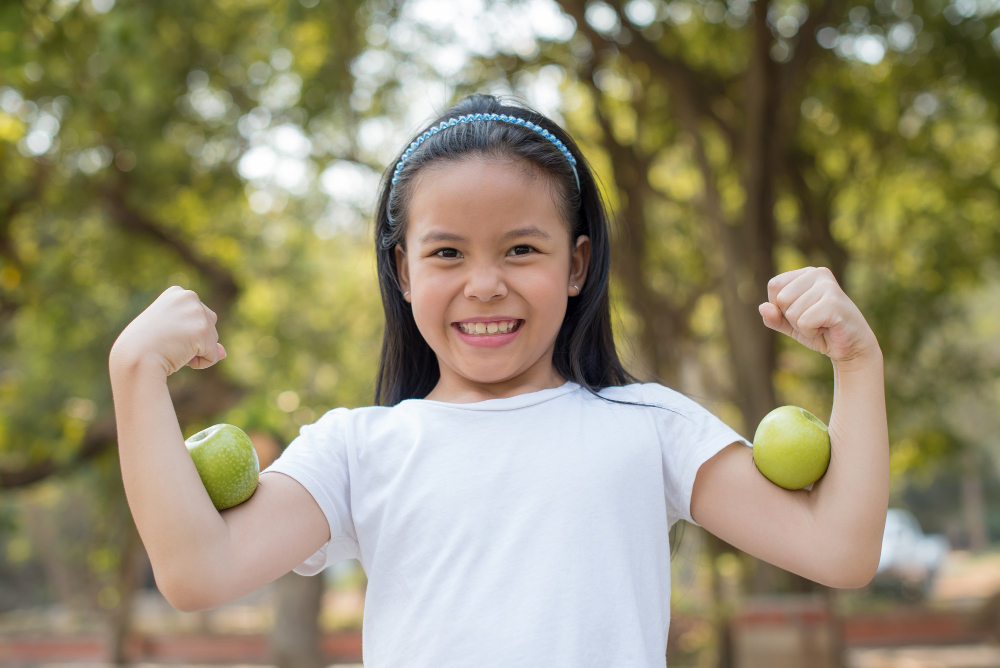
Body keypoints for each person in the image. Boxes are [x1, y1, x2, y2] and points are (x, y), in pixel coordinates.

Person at [110, 93, 889, 667]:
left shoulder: (649, 428)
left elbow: (839, 550)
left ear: (577, 263)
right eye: (447, 253)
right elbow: (198, 571)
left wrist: (857, 364)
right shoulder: (357, 449)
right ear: (403, 270)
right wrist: (135, 372)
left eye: (521, 250)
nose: (484, 285)